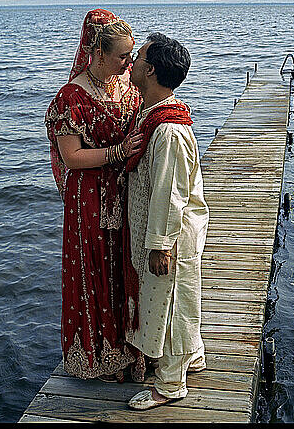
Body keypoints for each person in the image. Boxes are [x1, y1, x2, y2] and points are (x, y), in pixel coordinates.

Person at [44, 9, 146, 383]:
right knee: (95, 271)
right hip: (89, 196)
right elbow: (71, 157)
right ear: (98, 53)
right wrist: (116, 154)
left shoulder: (128, 87)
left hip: (126, 191)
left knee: (125, 268)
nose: (129, 63)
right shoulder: (71, 96)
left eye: (131, 56)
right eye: (122, 56)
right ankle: (99, 357)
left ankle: (130, 349)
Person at [124, 33, 209, 410]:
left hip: (171, 235)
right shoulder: (156, 114)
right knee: (183, 297)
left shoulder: (168, 129)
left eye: (139, 57)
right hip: (175, 230)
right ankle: (194, 356)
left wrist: (160, 244)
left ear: (152, 69)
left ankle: (170, 385)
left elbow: (170, 191)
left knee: (169, 304)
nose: (133, 62)